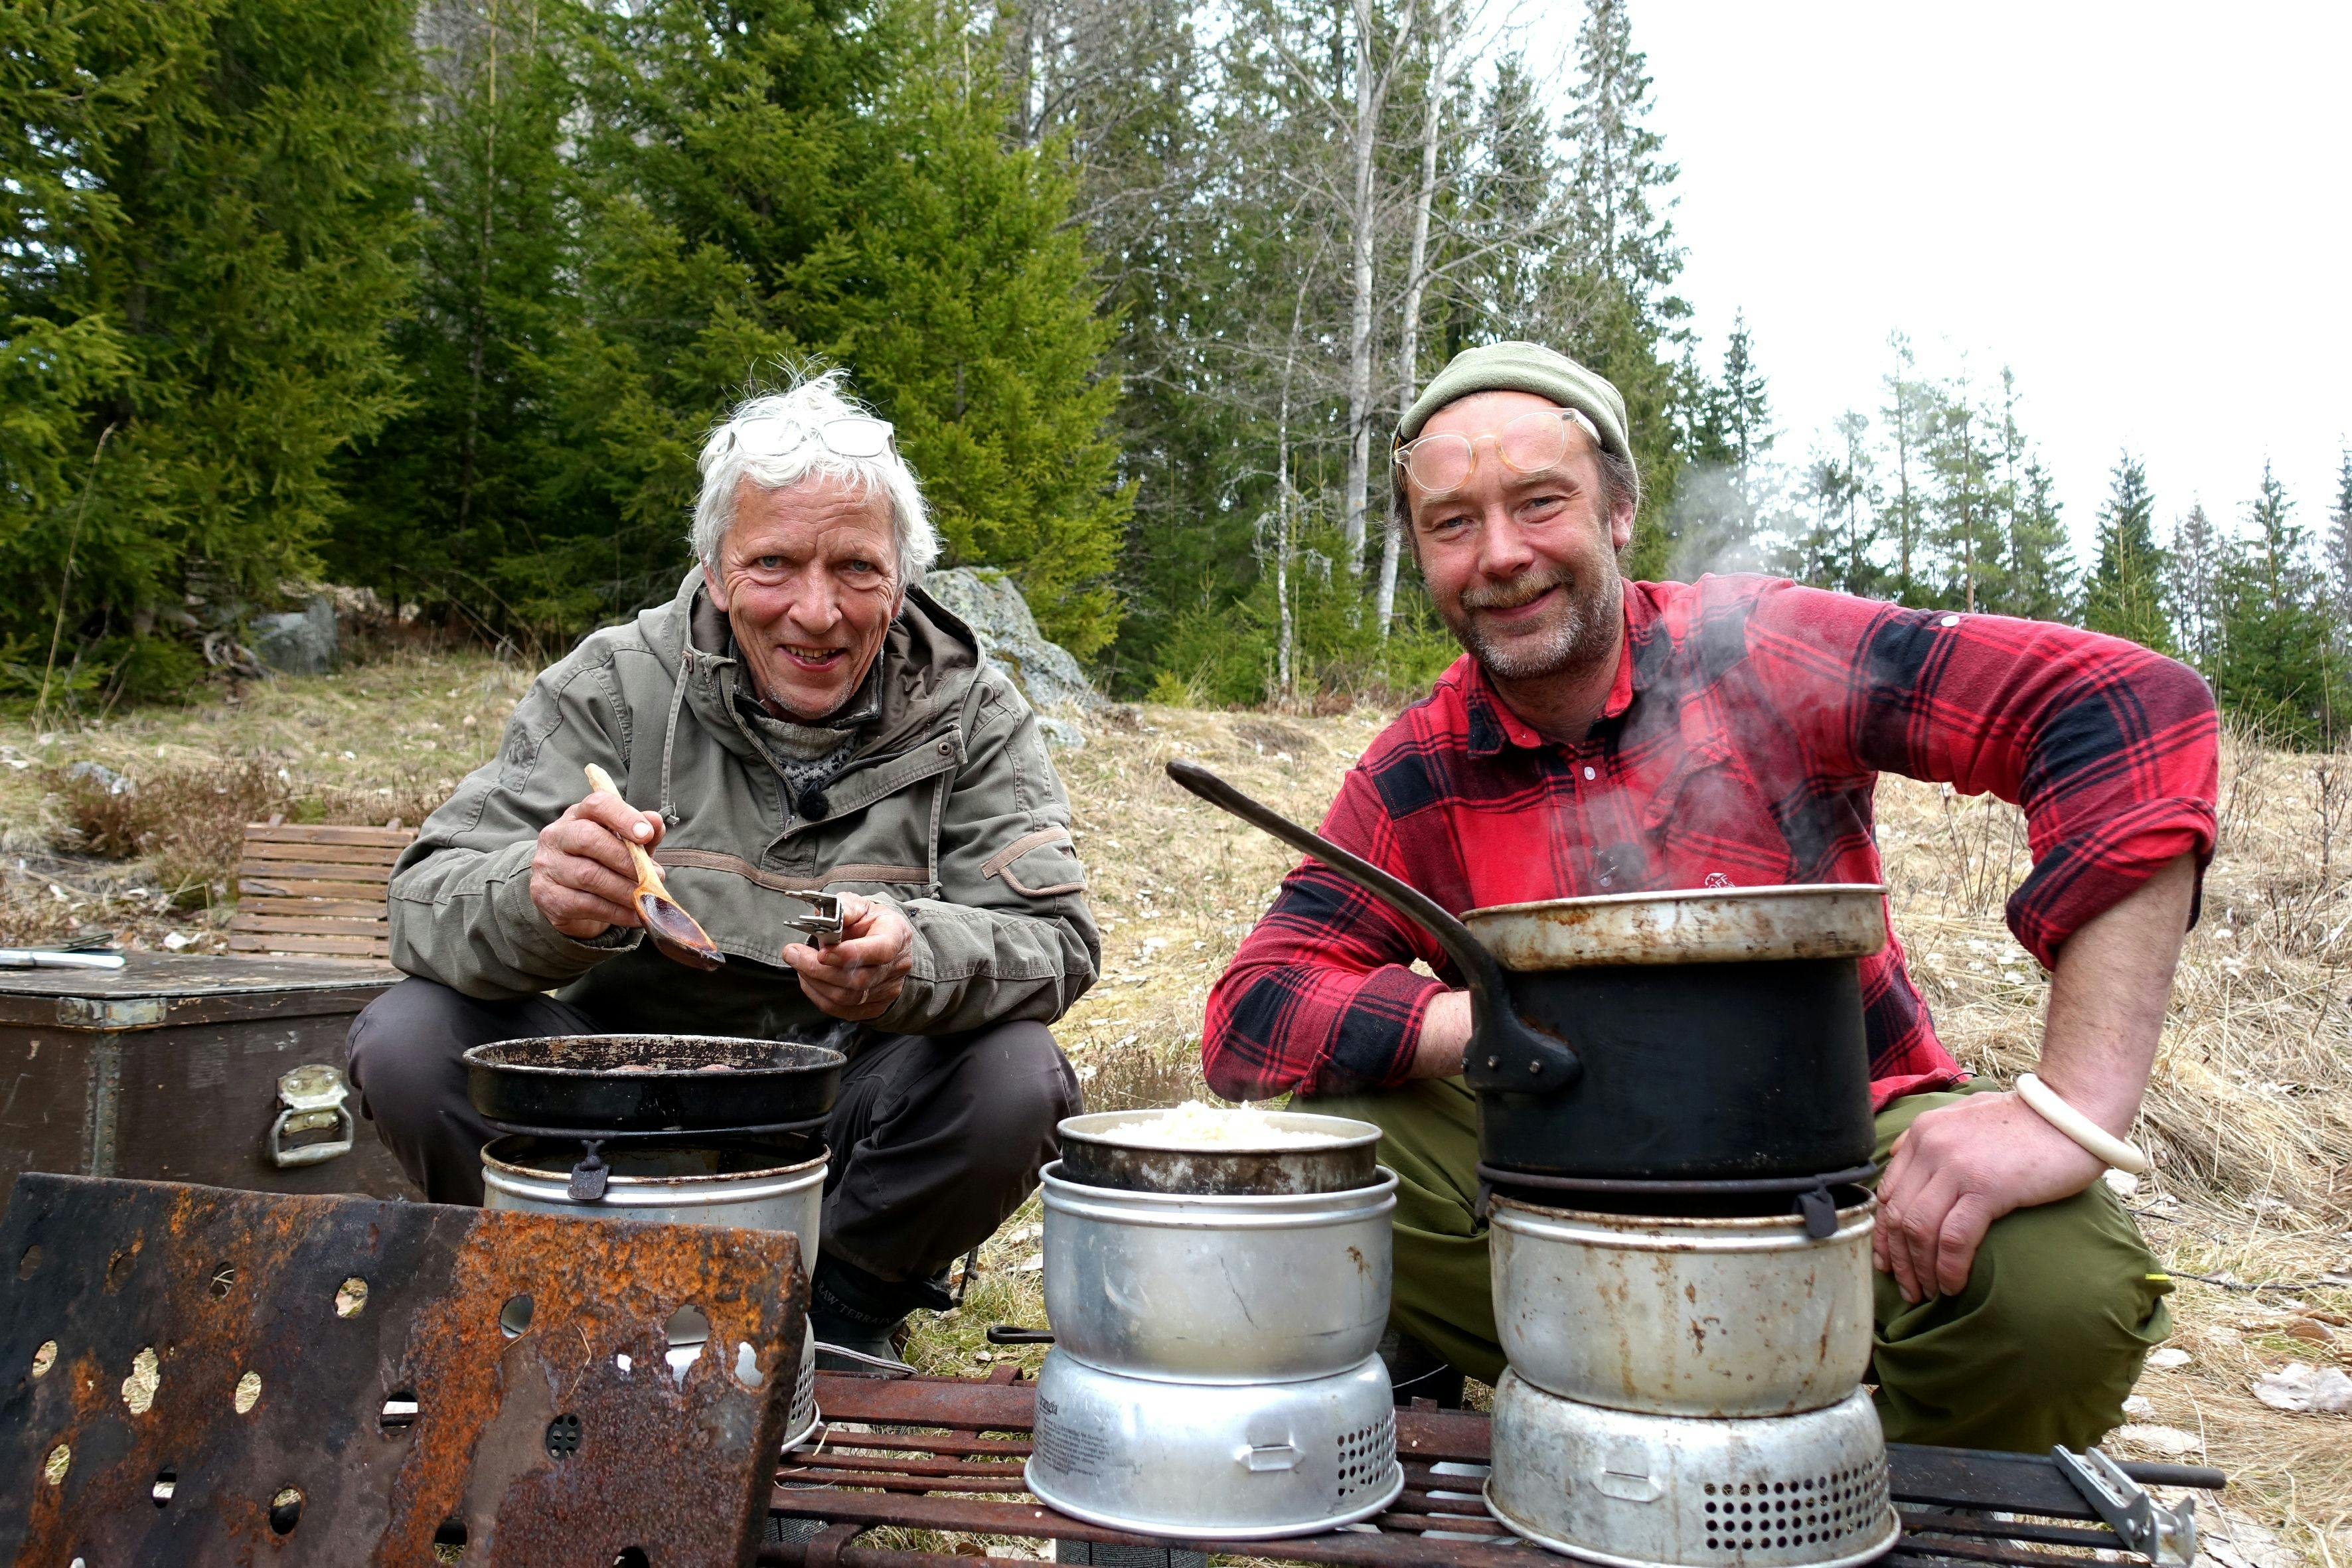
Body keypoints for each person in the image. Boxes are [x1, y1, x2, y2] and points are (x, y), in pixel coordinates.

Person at [1200, 341, 2217, 1452]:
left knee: (2057, 1297)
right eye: (1452, 524)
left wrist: (2067, 1111)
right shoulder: (1421, 766)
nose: (1500, 555)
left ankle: (1881, 1479)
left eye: (1541, 503)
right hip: (1562, 1174)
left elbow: (2129, 709)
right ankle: (1609, 1425)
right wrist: (1483, 1022)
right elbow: (1250, 1010)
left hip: (1843, 1137)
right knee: (1328, 1156)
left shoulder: (1759, 646)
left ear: (1620, 510)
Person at [351, 370, 1099, 1368]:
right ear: (713, 569)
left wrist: (914, 954)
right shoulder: (614, 683)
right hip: (612, 1099)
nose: (817, 612)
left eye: (858, 569)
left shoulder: (972, 711)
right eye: (774, 564)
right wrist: (538, 898)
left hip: (848, 1101)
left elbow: (1057, 940)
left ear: (905, 576)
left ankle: (832, 1317)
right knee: (407, 1036)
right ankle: (579, 1299)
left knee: (1016, 1078)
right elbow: (423, 896)